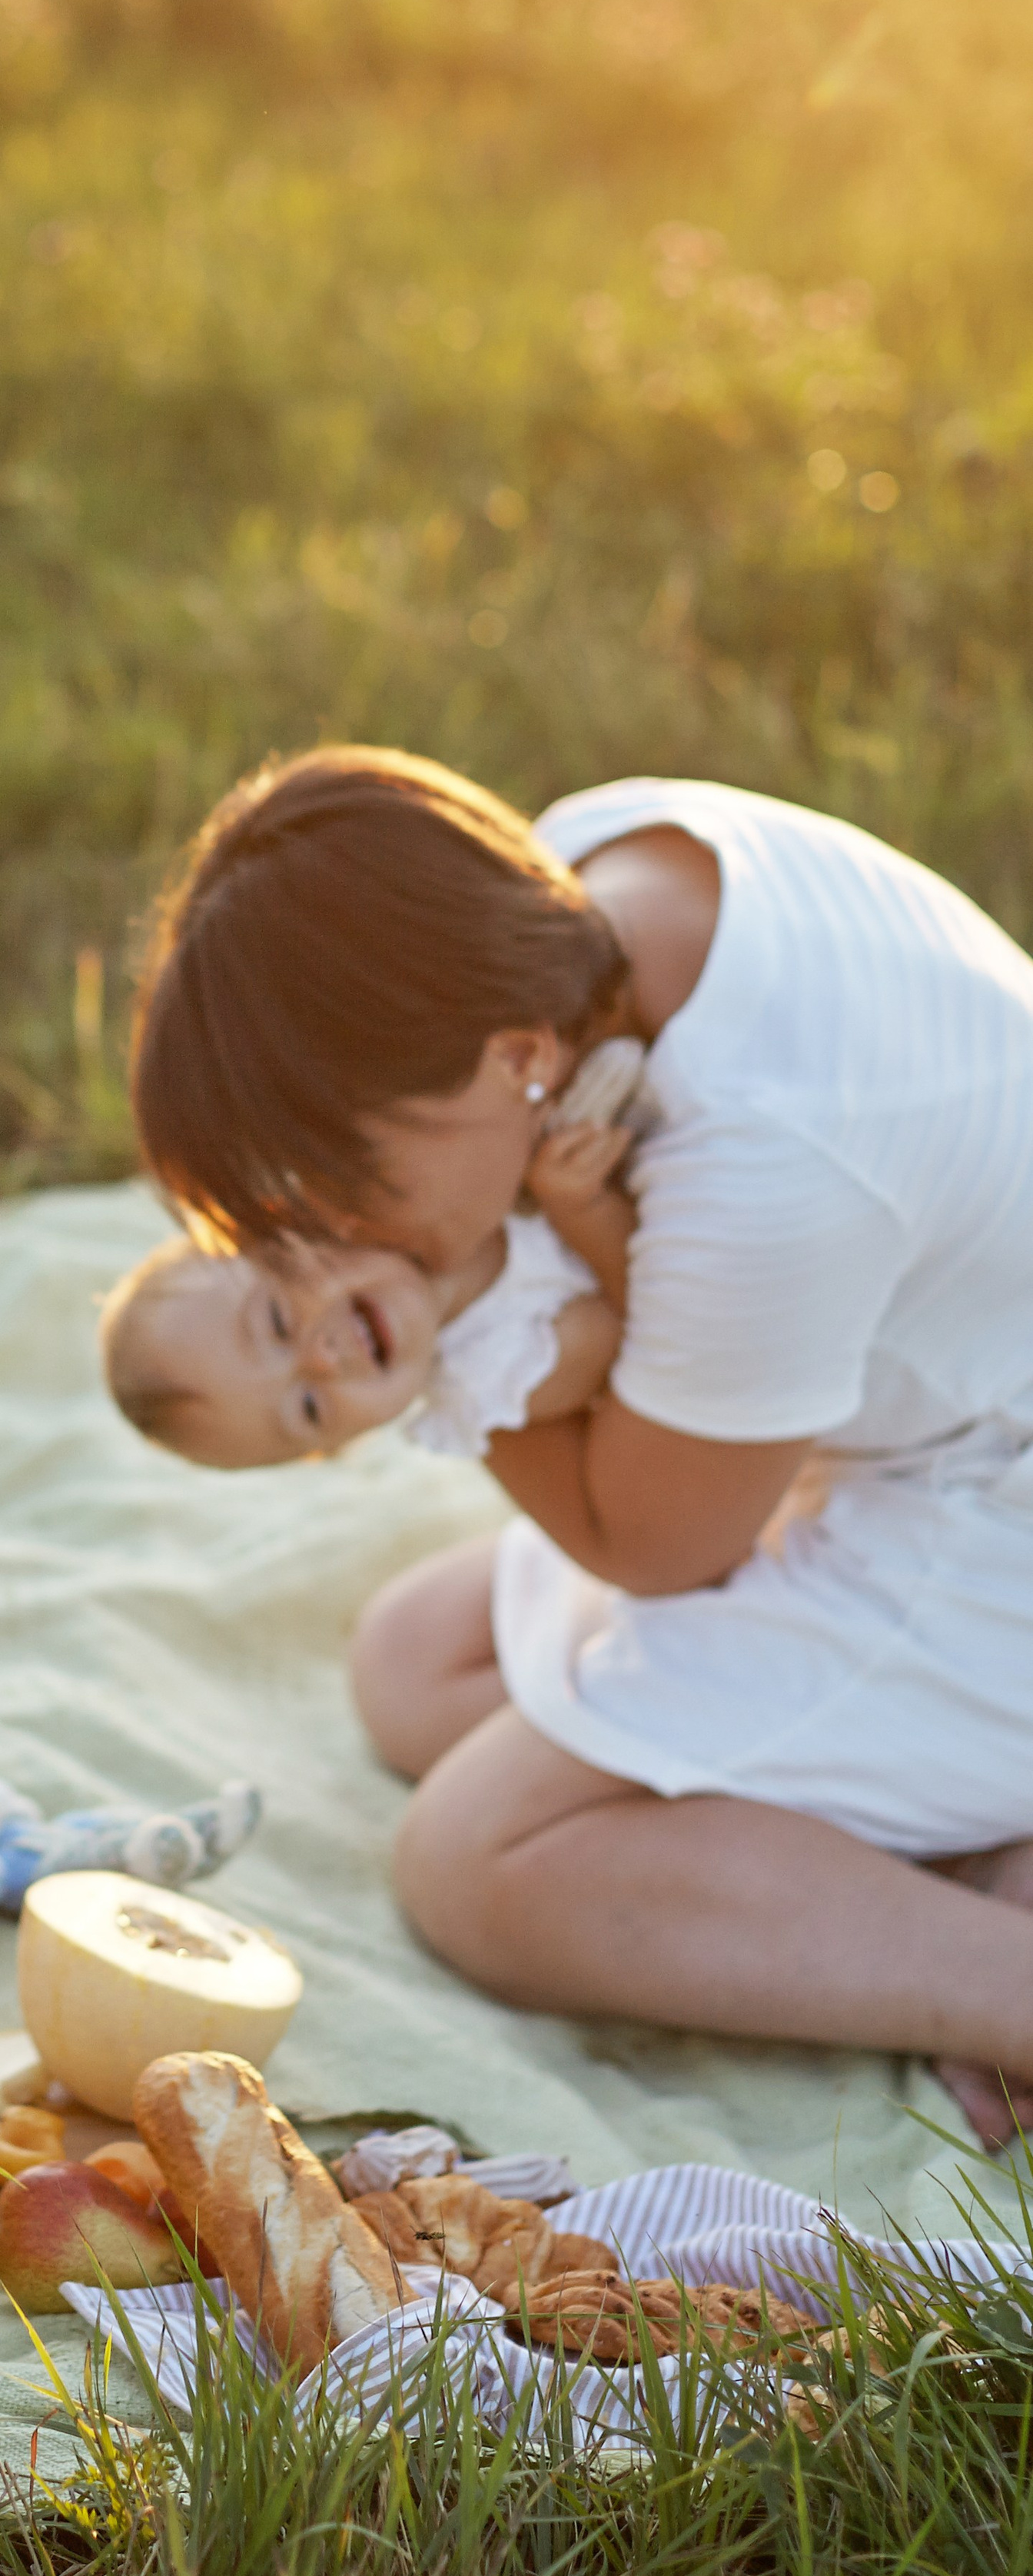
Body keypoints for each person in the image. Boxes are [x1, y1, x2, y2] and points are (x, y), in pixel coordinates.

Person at [129, 745, 1033, 2150]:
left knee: (477, 1859)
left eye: (351, 1180)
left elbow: (661, 1552)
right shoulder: (594, 884)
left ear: (516, 1066)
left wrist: (446, 1372)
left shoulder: (770, 1156)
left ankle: (1002, 1976)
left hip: (990, 1511)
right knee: (415, 1662)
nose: (343, 1235)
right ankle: (946, 1821)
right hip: (890, 1439)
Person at [98, 1095, 634, 1470]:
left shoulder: (404, 1165)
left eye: (279, 1323)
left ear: (279, 1217)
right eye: (310, 1407)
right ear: (342, 1445)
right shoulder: (494, 1374)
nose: (322, 1360)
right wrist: (583, 1210)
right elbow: (639, 1314)